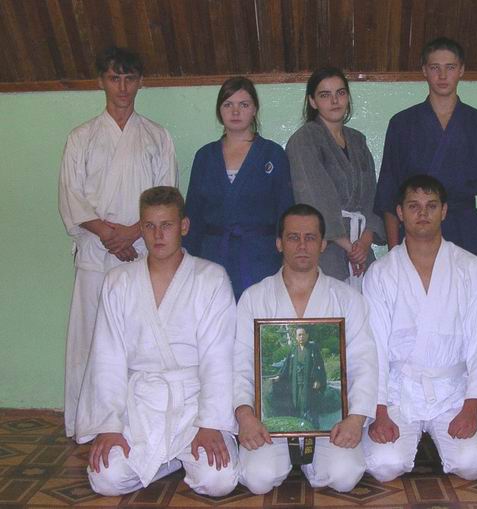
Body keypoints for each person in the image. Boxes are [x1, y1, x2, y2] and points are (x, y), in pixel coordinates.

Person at [75, 187, 238, 496]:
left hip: (193, 403)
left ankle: (168, 457)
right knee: (106, 478)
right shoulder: (119, 281)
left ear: (184, 226)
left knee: (218, 480)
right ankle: (168, 459)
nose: (158, 235)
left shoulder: (211, 278)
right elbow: (107, 356)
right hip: (140, 404)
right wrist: (109, 426)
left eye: (167, 225)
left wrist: (210, 423)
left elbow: (218, 356)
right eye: (149, 226)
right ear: (141, 227)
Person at [58, 46, 178, 438]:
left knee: (139, 338)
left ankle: (136, 424)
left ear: (140, 82)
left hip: (142, 250)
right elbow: (71, 195)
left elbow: (166, 195)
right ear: (101, 81)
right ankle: (87, 424)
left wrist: (132, 232)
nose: (122, 87)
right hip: (96, 252)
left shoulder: (157, 136)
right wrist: (108, 234)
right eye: (114, 78)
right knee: (89, 337)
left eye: (129, 78)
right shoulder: (81, 137)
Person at [363, 175, 477, 482]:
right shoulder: (381, 273)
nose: (422, 213)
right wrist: (379, 412)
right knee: (384, 466)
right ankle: (415, 438)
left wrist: (471, 409)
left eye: (431, 205)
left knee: (472, 464)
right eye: (413, 206)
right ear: (400, 212)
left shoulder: (471, 269)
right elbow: (373, 347)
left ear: (444, 211)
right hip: (398, 393)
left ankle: (441, 437)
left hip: (453, 392)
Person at [234, 204, 378, 494]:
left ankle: (315, 462)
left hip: (329, 425)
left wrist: (356, 418)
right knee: (258, 478)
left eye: (310, 238)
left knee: (345, 476)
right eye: (293, 237)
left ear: (323, 244)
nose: (302, 246)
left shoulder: (348, 299)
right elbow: (240, 364)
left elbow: (364, 362)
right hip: (270, 423)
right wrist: (245, 416)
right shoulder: (254, 298)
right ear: (279, 243)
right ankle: (285, 458)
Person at [374, 37, 477, 275]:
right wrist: (393, 251)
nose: (442, 76)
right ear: (424, 71)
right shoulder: (402, 124)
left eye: (450, 67)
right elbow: (389, 192)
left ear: (461, 70)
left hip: (467, 234)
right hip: (414, 235)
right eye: (435, 67)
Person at [183, 76, 294, 300]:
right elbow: (193, 214)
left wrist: (288, 259)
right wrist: (187, 260)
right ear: (219, 111)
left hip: (261, 257)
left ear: (254, 110)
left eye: (243, 104)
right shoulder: (205, 156)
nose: (235, 112)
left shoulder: (272, 154)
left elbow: (286, 212)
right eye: (228, 105)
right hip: (213, 256)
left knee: (258, 316)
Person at [286, 67, 384, 290]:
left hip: (361, 248)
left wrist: (364, 242)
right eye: (325, 95)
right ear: (312, 101)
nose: (334, 100)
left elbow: (372, 197)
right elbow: (313, 197)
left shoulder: (358, 141)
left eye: (340, 93)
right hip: (325, 248)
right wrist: (347, 245)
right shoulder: (304, 140)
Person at [274, 327, 327, 426]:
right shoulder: (294, 350)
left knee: (308, 403)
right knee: (296, 403)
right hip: (296, 383)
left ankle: (312, 426)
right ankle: (299, 425)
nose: (301, 337)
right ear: (296, 337)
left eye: (303, 334)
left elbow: (319, 365)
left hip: (309, 383)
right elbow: (286, 365)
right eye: (299, 335)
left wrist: (318, 380)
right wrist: (279, 377)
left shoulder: (313, 349)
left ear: (307, 335)